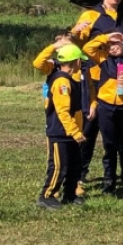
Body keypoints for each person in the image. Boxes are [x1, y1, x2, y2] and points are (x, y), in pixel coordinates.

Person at [69, 0, 123, 186]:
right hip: (95, 80)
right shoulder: (91, 15)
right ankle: (79, 173)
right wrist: (75, 33)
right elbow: (77, 43)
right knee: (89, 129)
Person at [82, 32, 123, 197]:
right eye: (108, 46)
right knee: (110, 147)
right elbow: (87, 48)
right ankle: (109, 184)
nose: (111, 48)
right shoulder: (104, 59)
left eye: (114, 44)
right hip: (105, 107)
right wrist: (106, 37)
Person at [35, 44, 87, 209]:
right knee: (59, 166)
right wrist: (75, 132)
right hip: (60, 132)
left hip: (71, 132)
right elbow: (62, 111)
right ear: (76, 61)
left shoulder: (70, 79)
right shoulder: (62, 82)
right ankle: (47, 195)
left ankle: (70, 194)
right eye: (80, 61)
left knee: (74, 165)